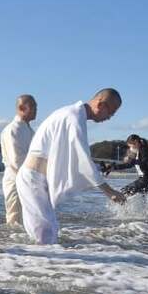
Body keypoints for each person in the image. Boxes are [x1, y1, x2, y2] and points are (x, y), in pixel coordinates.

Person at [15, 89, 126, 244]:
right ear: (100, 104)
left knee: (47, 234)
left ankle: (39, 265)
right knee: (45, 235)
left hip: (37, 178)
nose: (109, 118)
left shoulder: (73, 114)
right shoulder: (73, 117)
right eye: (111, 113)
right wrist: (109, 191)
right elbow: (82, 158)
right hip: (33, 178)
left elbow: (70, 155)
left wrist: (99, 168)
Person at [0, 95, 37, 225]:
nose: (36, 109)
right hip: (15, 179)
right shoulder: (13, 129)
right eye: (33, 107)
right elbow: (16, 161)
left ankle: (30, 245)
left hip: (28, 179)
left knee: (29, 219)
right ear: (22, 108)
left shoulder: (29, 130)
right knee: (14, 220)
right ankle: (10, 244)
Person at [100, 134, 148, 200]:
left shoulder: (144, 151)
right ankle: (132, 209)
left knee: (123, 192)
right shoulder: (138, 153)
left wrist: (133, 161)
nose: (130, 149)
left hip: (147, 180)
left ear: (136, 142)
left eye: (131, 146)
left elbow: (145, 161)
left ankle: (124, 209)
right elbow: (129, 165)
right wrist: (113, 167)